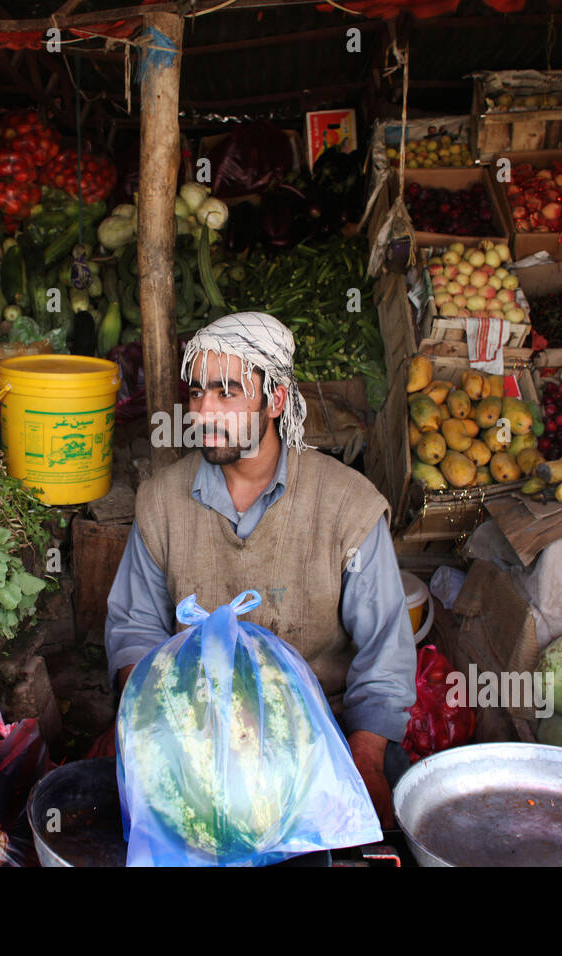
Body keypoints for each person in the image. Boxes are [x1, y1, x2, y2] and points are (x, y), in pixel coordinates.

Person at [103, 311, 418, 828]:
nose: (204, 411)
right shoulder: (162, 500)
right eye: (197, 392)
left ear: (275, 399)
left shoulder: (346, 505)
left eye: (227, 393)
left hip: (320, 731)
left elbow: (385, 653)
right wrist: (152, 725)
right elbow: (135, 627)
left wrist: (362, 758)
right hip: (195, 732)